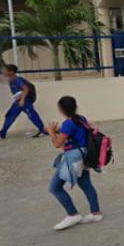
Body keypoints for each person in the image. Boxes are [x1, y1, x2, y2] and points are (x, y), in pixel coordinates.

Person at [46, 96, 102, 231]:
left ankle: (72, 214)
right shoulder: (81, 119)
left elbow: (57, 144)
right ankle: (95, 213)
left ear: (61, 109)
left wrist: (51, 132)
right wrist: (59, 131)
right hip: (85, 156)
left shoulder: (68, 123)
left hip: (73, 157)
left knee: (55, 188)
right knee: (86, 184)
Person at [0, 64, 46, 139]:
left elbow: (26, 88)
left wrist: (22, 100)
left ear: (11, 72)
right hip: (18, 101)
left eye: (5, 70)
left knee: (32, 115)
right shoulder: (11, 79)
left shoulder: (16, 79)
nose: (3, 72)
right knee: (10, 115)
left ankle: (43, 131)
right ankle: (2, 133)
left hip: (24, 101)